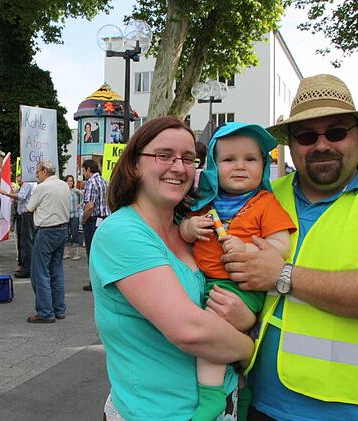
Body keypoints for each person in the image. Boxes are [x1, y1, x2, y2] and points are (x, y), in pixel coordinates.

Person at [220, 74, 358, 420]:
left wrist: (281, 275)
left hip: (355, 412)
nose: (321, 145)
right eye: (306, 135)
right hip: (256, 403)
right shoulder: (266, 195)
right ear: (290, 144)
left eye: (336, 132)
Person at [91, 116, 254, 419]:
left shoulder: (188, 227)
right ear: (134, 165)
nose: (179, 167)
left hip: (224, 403)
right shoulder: (122, 232)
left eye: (189, 158)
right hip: (160, 412)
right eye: (164, 155)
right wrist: (250, 350)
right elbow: (189, 330)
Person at [179, 123, 295, 420]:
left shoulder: (265, 203)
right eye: (229, 160)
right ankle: (242, 395)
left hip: (240, 285)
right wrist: (189, 227)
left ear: (264, 165)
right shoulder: (206, 203)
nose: (240, 167)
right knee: (224, 351)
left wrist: (248, 252)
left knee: (210, 335)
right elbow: (182, 232)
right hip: (206, 281)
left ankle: (210, 397)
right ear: (214, 166)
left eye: (251, 159)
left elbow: (281, 244)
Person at [25, 160, 70, 323]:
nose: (36, 173)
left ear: (44, 171)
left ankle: (45, 312)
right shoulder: (64, 185)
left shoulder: (42, 187)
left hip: (46, 231)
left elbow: (29, 208)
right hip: (62, 229)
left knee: (40, 273)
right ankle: (59, 309)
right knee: (57, 271)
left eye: (38, 171)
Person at [0, 174, 36, 278]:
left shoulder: (28, 182)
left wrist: (6, 193)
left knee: (27, 243)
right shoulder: (31, 182)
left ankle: (27, 268)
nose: (19, 184)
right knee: (24, 242)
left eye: (20, 182)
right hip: (24, 215)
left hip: (27, 215)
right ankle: (25, 265)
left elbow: (22, 196)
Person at [80, 159, 110, 291]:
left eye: (83, 170)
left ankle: (94, 282)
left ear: (87, 169)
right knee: (103, 251)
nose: (83, 173)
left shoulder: (91, 183)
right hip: (105, 219)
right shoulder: (104, 181)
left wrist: (84, 219)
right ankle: (105, 280)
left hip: (93, 220)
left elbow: (90, 206)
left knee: (92, 252)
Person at [64, 175, 83, 260]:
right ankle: (67, 252)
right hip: (65, 215)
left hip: (74, 215)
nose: (70, 183)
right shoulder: (63, 191)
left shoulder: (76, 191)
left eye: (71, 181)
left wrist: (80, 204)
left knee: (75, 233)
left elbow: (83, 197)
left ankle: (77, 253)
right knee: (66, 234)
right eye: (68, 181)